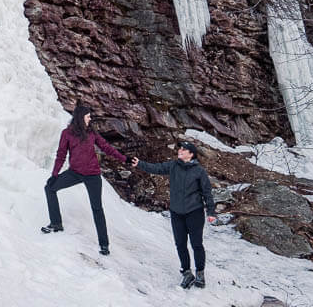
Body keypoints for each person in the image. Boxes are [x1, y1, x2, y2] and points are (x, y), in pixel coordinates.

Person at [41, 103, 127, 256]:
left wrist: (124, 159)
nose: (90, 119)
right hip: (74, 173)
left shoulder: (91, 132)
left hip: (93, 175)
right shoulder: (66, 133)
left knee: (97, 208)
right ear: (81, 118)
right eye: (88, 117)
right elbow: (61, 155)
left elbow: (106, 147)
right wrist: (54, 175)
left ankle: (104, 244)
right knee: (50, 188)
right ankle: (56, 223)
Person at [131, 140, 217, 289]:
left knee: (196, 244)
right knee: (180, 244)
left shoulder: (199, 171)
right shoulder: (173, 166)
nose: (180, 151)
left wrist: (211, 211)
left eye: (184, 150)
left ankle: (200, 274)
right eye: (180, 149)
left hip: (194, 212)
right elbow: (156, 168)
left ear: (191, 154)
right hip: (177, 212)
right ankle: (186, 272)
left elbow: (207, 192)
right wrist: (139, 163)